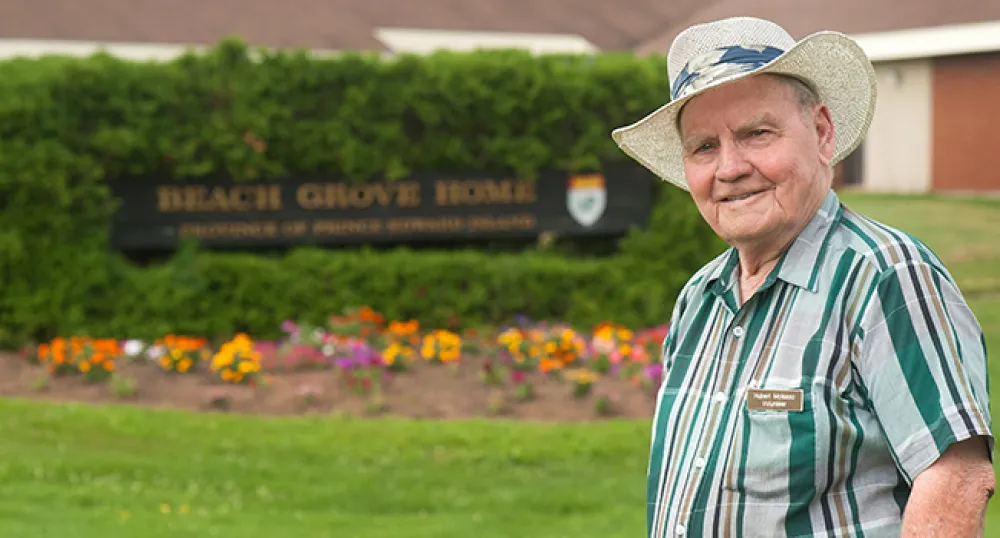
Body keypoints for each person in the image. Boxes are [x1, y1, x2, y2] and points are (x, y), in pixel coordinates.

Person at [611, 16, 995, 538]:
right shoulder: (699, 299)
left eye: (756, 134)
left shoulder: (885, 277)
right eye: (704, 147)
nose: (729, 168)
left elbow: (956, 478)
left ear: (820, 132)